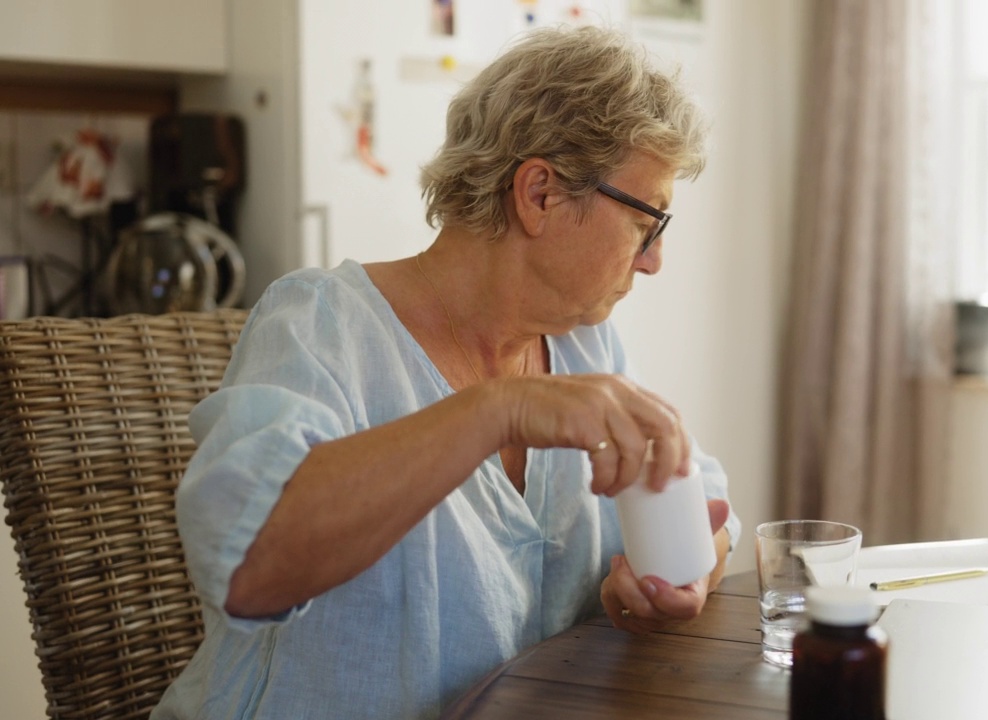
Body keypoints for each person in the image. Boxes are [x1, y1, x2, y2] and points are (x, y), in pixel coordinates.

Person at [152, 25, 740, 720]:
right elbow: (250, 567)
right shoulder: (321, 325)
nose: (653, 261)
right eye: (649, 223)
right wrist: (499, 409)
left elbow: (706, 508)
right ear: (541, 194)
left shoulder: (586, 347)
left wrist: (668, 581)